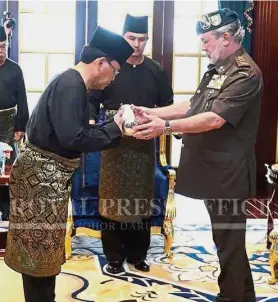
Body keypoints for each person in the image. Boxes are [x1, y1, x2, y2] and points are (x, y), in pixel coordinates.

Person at [132, 8, 263, 302]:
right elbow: (193, 106)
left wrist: (164, 127)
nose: (202, 47)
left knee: (228, 242)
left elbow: (214, 118)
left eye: (205, 41)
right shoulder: (219, 70)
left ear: (226, 38)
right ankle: (244, 296)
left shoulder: (245, 73)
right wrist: (151, 112)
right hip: (214, 170)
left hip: (229, 175)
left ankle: (231, 297)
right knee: (227, 242)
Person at [4, 26, 133, 302]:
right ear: (101, 64)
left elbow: (74, 134)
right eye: (116, 71)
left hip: (44, 180)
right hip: (40, 183)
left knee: (42, 258)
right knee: (37, 259)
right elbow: (73, 138)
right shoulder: (71, 84)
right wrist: (116, 128)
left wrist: (112, 127)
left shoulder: (72, 82)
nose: (114, 79)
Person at [88, 14, 173, 274]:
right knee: (113, 199)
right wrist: (91, 122)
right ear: (124, 37)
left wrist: (168, 124)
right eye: (132, 38)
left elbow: (168, 104)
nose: (137, 44)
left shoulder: (156, 70)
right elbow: (92, 95)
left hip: (144, 142)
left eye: (142, 40)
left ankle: (138, 255)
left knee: (141, 200)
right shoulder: (111, 66)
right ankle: (114, 257)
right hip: (113, 141)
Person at [0, 24, 29, 221]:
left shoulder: (15, 69)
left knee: (7, 170)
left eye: (3, 46)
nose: (1, 51)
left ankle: (7, 212)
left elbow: (23, 100)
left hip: (9, 122)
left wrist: (21, 127)